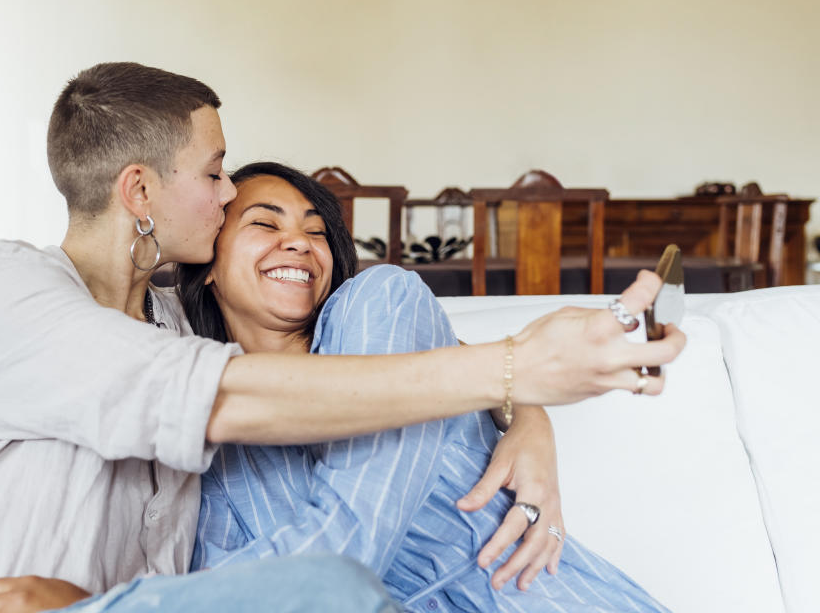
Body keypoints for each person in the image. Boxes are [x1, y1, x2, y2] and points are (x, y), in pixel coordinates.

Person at [0, 63, 684, 613]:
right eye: (220, 177)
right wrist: (515, 372)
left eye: (313, 229)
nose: (228, 195)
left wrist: (522, 410)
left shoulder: (188, 327)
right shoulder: (11, 287)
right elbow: (220, 401)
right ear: (140, 191)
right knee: (331, 585)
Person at [180, 162, 669, 612]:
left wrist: (528, 406)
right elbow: (222, 579)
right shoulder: (218, 440)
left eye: (317, 231)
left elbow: (351, 540)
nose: (299, 242)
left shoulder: (378, 302)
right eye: (265, 223)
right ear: (207, 269)